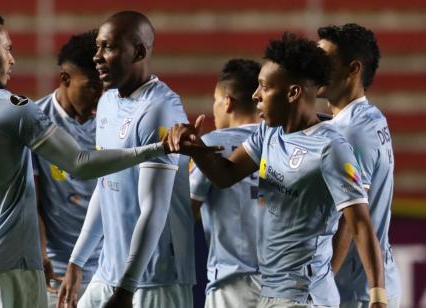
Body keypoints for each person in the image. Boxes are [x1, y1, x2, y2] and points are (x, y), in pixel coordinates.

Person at [0, 9, 172, 308]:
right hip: (8, 264)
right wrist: (157, 148)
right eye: (7, 48)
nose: (12, 59)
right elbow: (80, 163)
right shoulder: (10, 107)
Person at [166, 32, 387, 307]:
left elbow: (359, 223)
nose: (256, 96)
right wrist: (195, 148)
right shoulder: (268, 134)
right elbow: (225, 175)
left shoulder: (330, 147)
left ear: (293, 92)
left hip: (305, 296)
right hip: (271, 292)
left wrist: (378, 296)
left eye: (264, 87)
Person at [57, 10, 195, 308]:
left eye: (109, 47)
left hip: (155, 281)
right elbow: (105, 186)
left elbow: (153, 209)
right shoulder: (107, 101)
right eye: (97, 46)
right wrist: (77, 261)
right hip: (110, 272)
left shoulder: (159, 109)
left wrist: (127, 288)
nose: (97, 56)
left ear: (139, 52)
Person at [317, 23, 401, 308]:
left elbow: (350, 220)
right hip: (368, 284)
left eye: (324, 61)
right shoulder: (371, 117)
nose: (315, 69)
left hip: (354, 292)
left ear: (353, 68)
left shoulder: (352, 132)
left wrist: (324, 283)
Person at [32, 30, 103, 307]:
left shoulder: (112, 123)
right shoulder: (35, 123)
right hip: (56, 275)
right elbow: (32, 201)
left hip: (106, 271)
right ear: (65, 78)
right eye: (92, 87)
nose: (100, 96)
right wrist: (40, 254)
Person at [190, 59, 262, 308]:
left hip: (232, 285)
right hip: (284, 282)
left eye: (215, 100)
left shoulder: (210, 147)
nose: (214, 108)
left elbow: (185, 211)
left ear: (228, 102)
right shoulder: (282, 142)